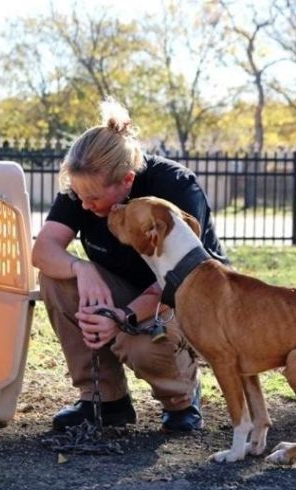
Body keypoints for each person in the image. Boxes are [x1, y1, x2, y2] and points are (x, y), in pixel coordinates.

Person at [31, 97, 228, 432]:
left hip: (186, 298)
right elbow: (44, 250)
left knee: (138, 343)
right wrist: (83, 269)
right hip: (124, 289)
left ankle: (181, 399)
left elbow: (183, 277)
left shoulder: (173, 187)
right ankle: (105, 400)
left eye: (93, 199)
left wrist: (123, 317)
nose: (84, 205)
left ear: (126, 182)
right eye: (79, 197)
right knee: (56, 278)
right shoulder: (84, 185)